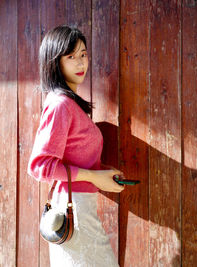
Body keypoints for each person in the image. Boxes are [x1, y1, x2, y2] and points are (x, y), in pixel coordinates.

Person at [27, 25, 124, 267]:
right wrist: (94, 176)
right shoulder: (60, 104)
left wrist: (103, 173)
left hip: (80, 208)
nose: (80, 63)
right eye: (71, 57)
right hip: (74, 210)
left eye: (83, 54)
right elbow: (40, 166)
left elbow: (74, 156)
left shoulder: (71, 104)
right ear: (55, 62)